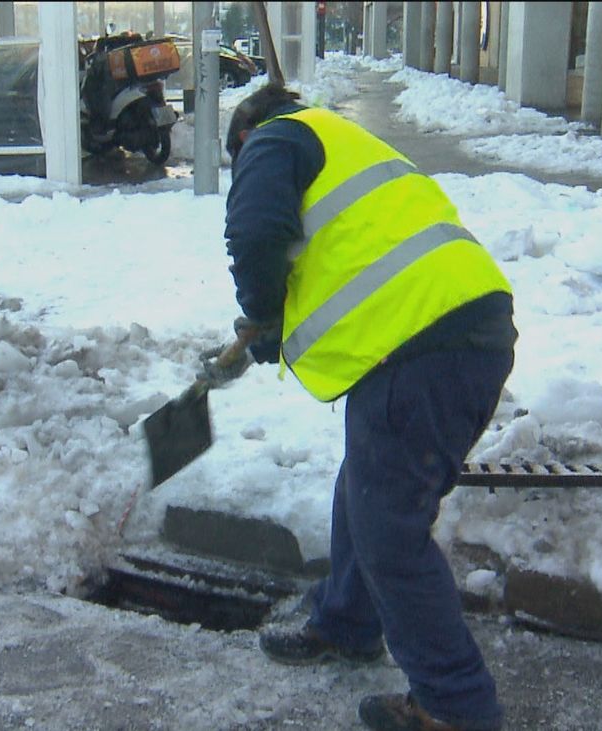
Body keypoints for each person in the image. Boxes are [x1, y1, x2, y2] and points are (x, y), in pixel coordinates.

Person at [200, 82, 518, 731]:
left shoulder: (274, 137)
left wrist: (261, 311)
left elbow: (256, 231)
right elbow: (350, 260)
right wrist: (274, 330)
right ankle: (346, 620)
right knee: (365, 491)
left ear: (243, 137)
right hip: (449, 333)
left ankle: (454, 704)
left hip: (425, 345)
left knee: (390, 531)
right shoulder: (342, 144)